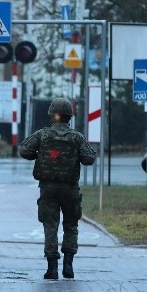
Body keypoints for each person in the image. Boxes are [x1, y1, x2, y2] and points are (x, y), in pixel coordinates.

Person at [18, 98, 96, 280]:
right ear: (69, 117)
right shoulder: (77, 137)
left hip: (48, 189)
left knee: (50, 226)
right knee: (71, 225)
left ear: (52, 115)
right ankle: (68, 265)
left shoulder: (42, 135)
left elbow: (23, 150)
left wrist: (41, 154)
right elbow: (89, 158)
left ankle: (52, 268)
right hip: (70, 190)